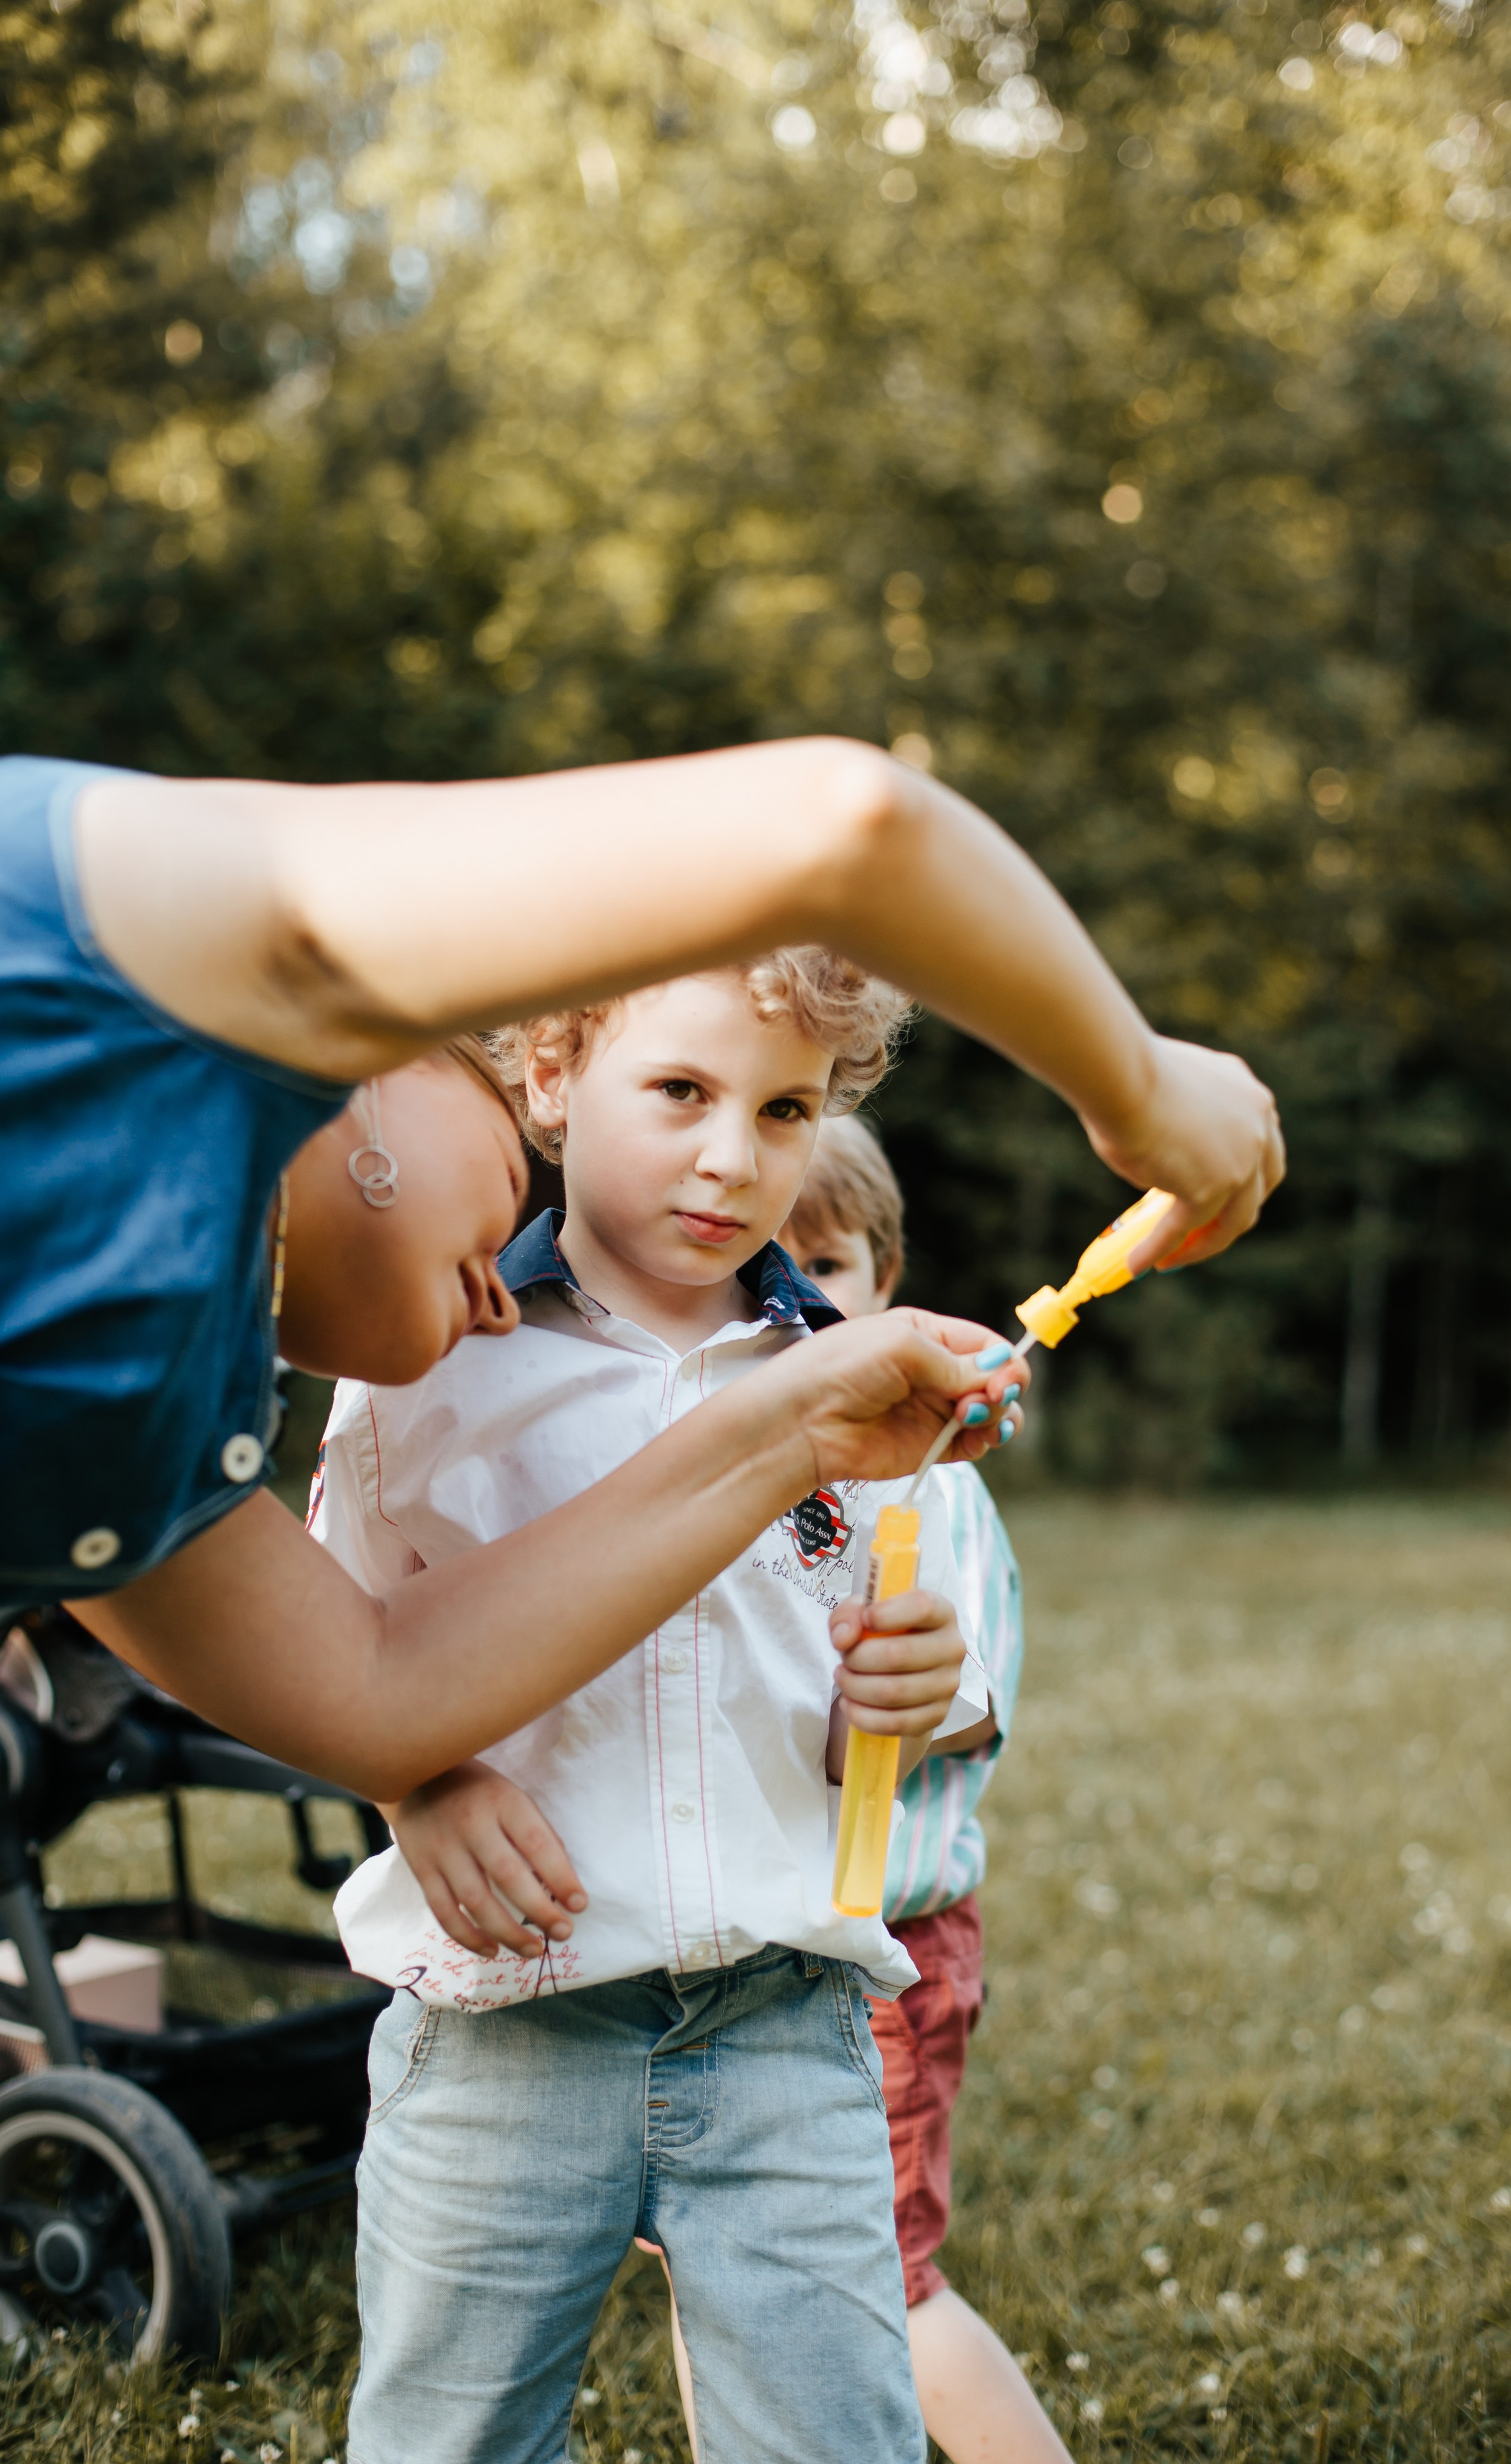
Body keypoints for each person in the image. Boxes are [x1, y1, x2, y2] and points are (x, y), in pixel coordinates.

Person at [2, 743, 1283, 1791]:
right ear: (384, 1057)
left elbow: (378, 1695)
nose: (500, 1282)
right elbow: (845, 831)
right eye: (513, 1170)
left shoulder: (141, 1440)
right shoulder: (135, 924)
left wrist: (787, 1433)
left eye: (782, 1112)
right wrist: (1143, 1094)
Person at [310, 956, 995, 2464]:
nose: (730, 1157)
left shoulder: (852, 1386)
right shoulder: (432, 1368)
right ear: (552, 1078)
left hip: (781, 2025)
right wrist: (415, 1786)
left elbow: (881, 1685)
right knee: (447, 2440)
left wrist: (911, 1687)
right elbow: (321, 1651)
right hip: (504, 2032)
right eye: (680, 1091)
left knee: (832, 2436)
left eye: (784, 1109)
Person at [781, 1115, 1065, 2464]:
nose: (794, 1299)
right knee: (722, 2263)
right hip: (748, 1951)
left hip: (876, 1958)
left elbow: (971, 1699)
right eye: (760, 1268)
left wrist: (890, 1688)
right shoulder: (732, 1474)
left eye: (825, 1263)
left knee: (881, 2285)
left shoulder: (923, 1473)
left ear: (885, 1283)